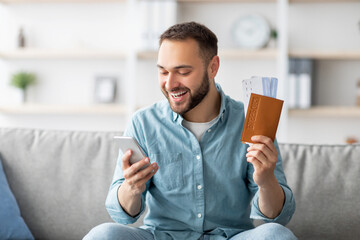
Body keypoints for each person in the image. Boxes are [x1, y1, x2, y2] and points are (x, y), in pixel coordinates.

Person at [84, 22, 296, 240]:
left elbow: (278, 217)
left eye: (183, 71)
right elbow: (121, 216)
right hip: (162, 236)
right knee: (103, 235)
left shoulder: (249, 120)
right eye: (163, 72)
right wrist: (131, 187)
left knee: (276, 235)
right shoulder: (143, 122)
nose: (170, 83)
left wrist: (266, 179)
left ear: (213, 67)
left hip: (230, 237)